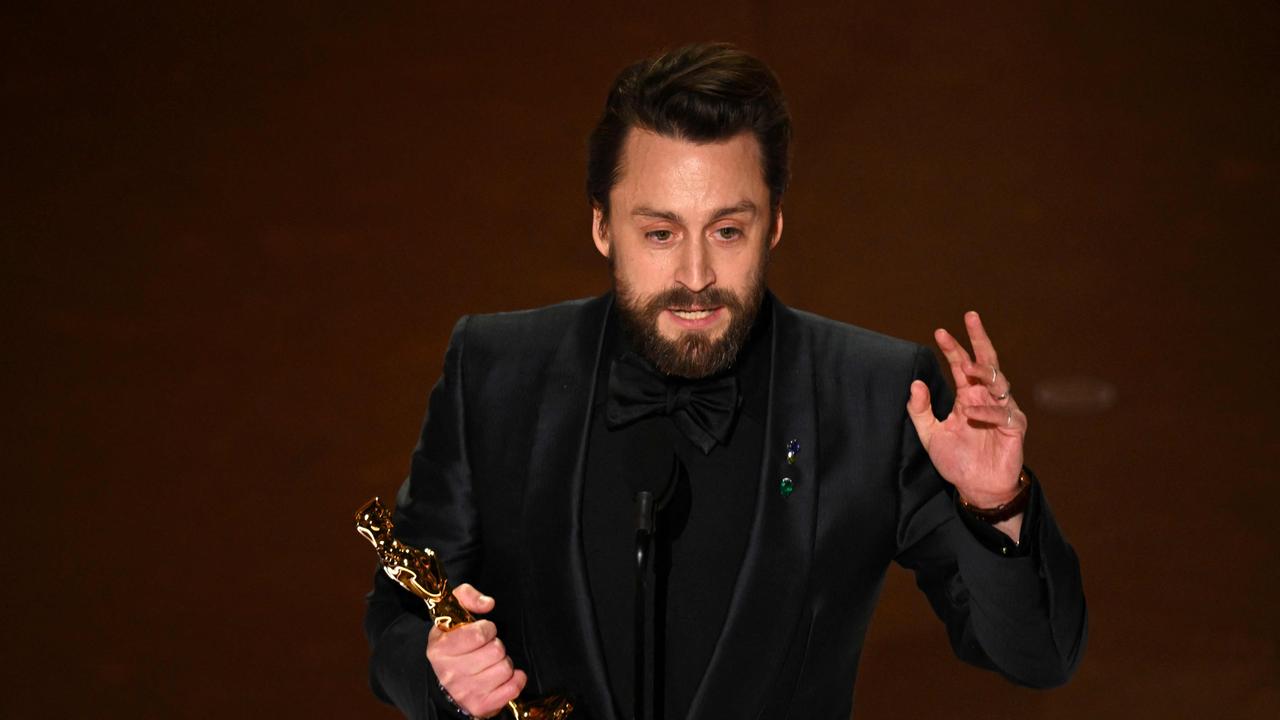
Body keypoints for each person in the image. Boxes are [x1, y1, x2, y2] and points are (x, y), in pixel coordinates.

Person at [363, 42, 1086, 720]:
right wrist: (437, 670)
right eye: (660, 233)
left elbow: (1036, 655)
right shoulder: (495, 370)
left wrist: (997, 507)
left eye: (727, 231)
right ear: (602, 228)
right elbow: (397, 621)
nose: (696, 277)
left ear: (773, 226)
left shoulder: (877, 395)